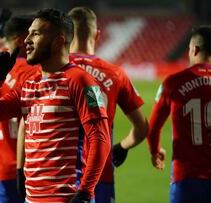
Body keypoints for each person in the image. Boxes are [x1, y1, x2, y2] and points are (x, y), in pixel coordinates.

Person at [0, 8, 111, 203]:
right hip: (32, 198)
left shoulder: (81, 81)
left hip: (67, 197)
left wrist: (86, 191)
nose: (27, 40)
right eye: (28, 33)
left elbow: (100, 137)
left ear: (59, 40)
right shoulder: (30, 83)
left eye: (36, 33)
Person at [146, 25, 211, 203]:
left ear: (194, 50)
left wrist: (155, 150)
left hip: (185, 181)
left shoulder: (172, 82)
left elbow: (153, 127)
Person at [68, 7, 149, 203]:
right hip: (99, 174)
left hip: (57, 172)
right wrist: (122, 147)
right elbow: (142, 127)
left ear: (67, 34)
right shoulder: (115, 74)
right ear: (97, 35)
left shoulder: (52, 70)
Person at [0, 13, 40, 203]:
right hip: (28, 164)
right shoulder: (32, 72)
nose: (33, 40)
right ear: (21, 39)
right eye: (32, 35)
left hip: (1, 163)